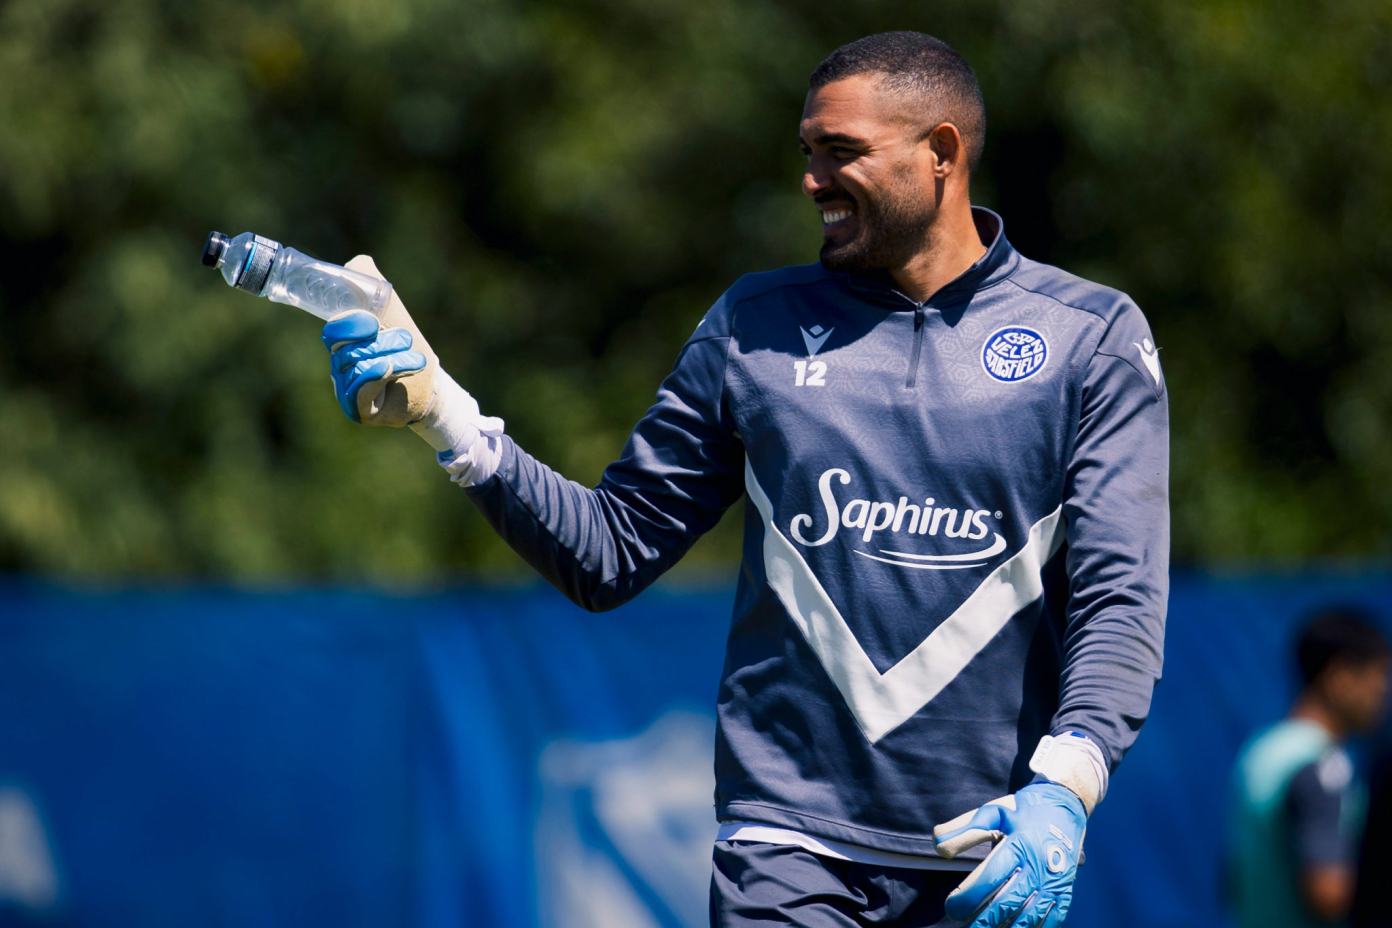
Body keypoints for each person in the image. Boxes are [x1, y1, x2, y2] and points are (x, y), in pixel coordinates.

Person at [321, 31, 1169, 928]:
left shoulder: (1090, 339)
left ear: (942, 153)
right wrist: (443, 413)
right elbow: (610, 552)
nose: (811, 179)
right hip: (787, 851)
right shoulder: (753, 326)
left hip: (989, 855)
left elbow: (1119, 598)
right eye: (807, 151)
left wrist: (1066, 786)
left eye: (841, 152)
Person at [1230, 608, 1391, 928]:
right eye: (1377, 680)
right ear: (1340, 677)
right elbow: (1327, 893)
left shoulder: (1260, 752)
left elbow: (1233, 879)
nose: (1382, 697)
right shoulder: (1323, 767)